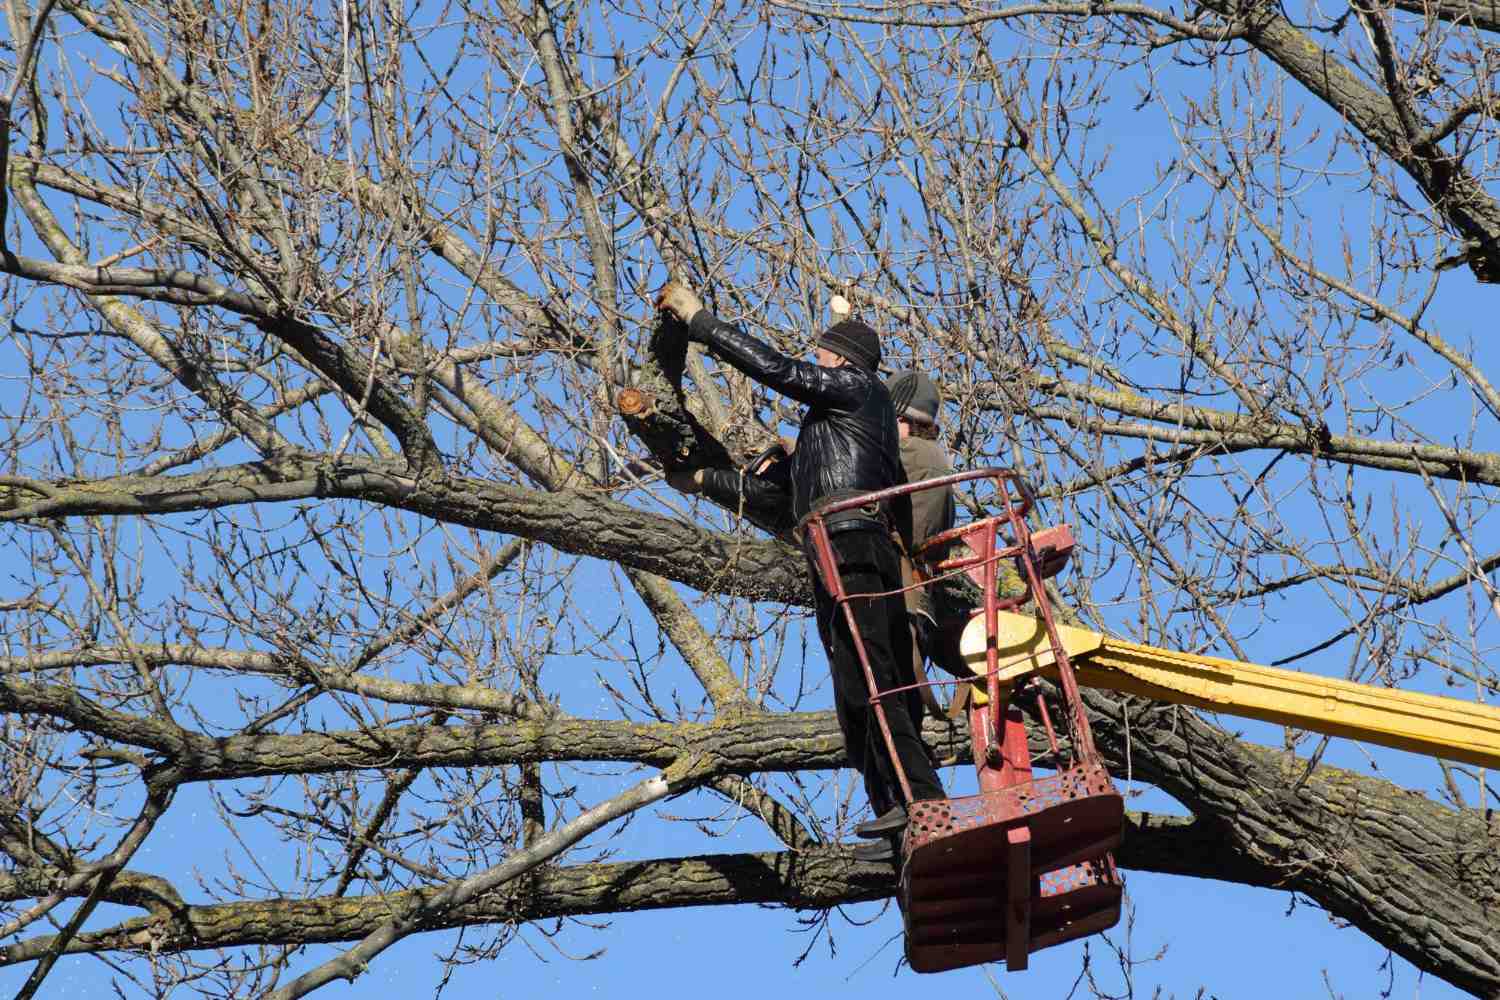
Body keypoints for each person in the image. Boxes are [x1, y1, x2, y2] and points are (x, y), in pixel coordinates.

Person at [655, 282, 945, 863]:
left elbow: (779, 370)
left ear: (840, 361)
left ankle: (925, 804)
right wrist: (704, 481)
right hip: (830, 551)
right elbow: (779, 501)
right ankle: (894, 824)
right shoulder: (828, 429)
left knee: (875, 678)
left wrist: (701, 322)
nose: (816, 361)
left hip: (856, 544)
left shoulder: (860, 391)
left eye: (822, 355)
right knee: (852, 699)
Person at [886, 371, 959, 717]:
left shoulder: (908, 453)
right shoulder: (934, 457)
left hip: (900, 595)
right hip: (924, 599)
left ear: (902, 419)